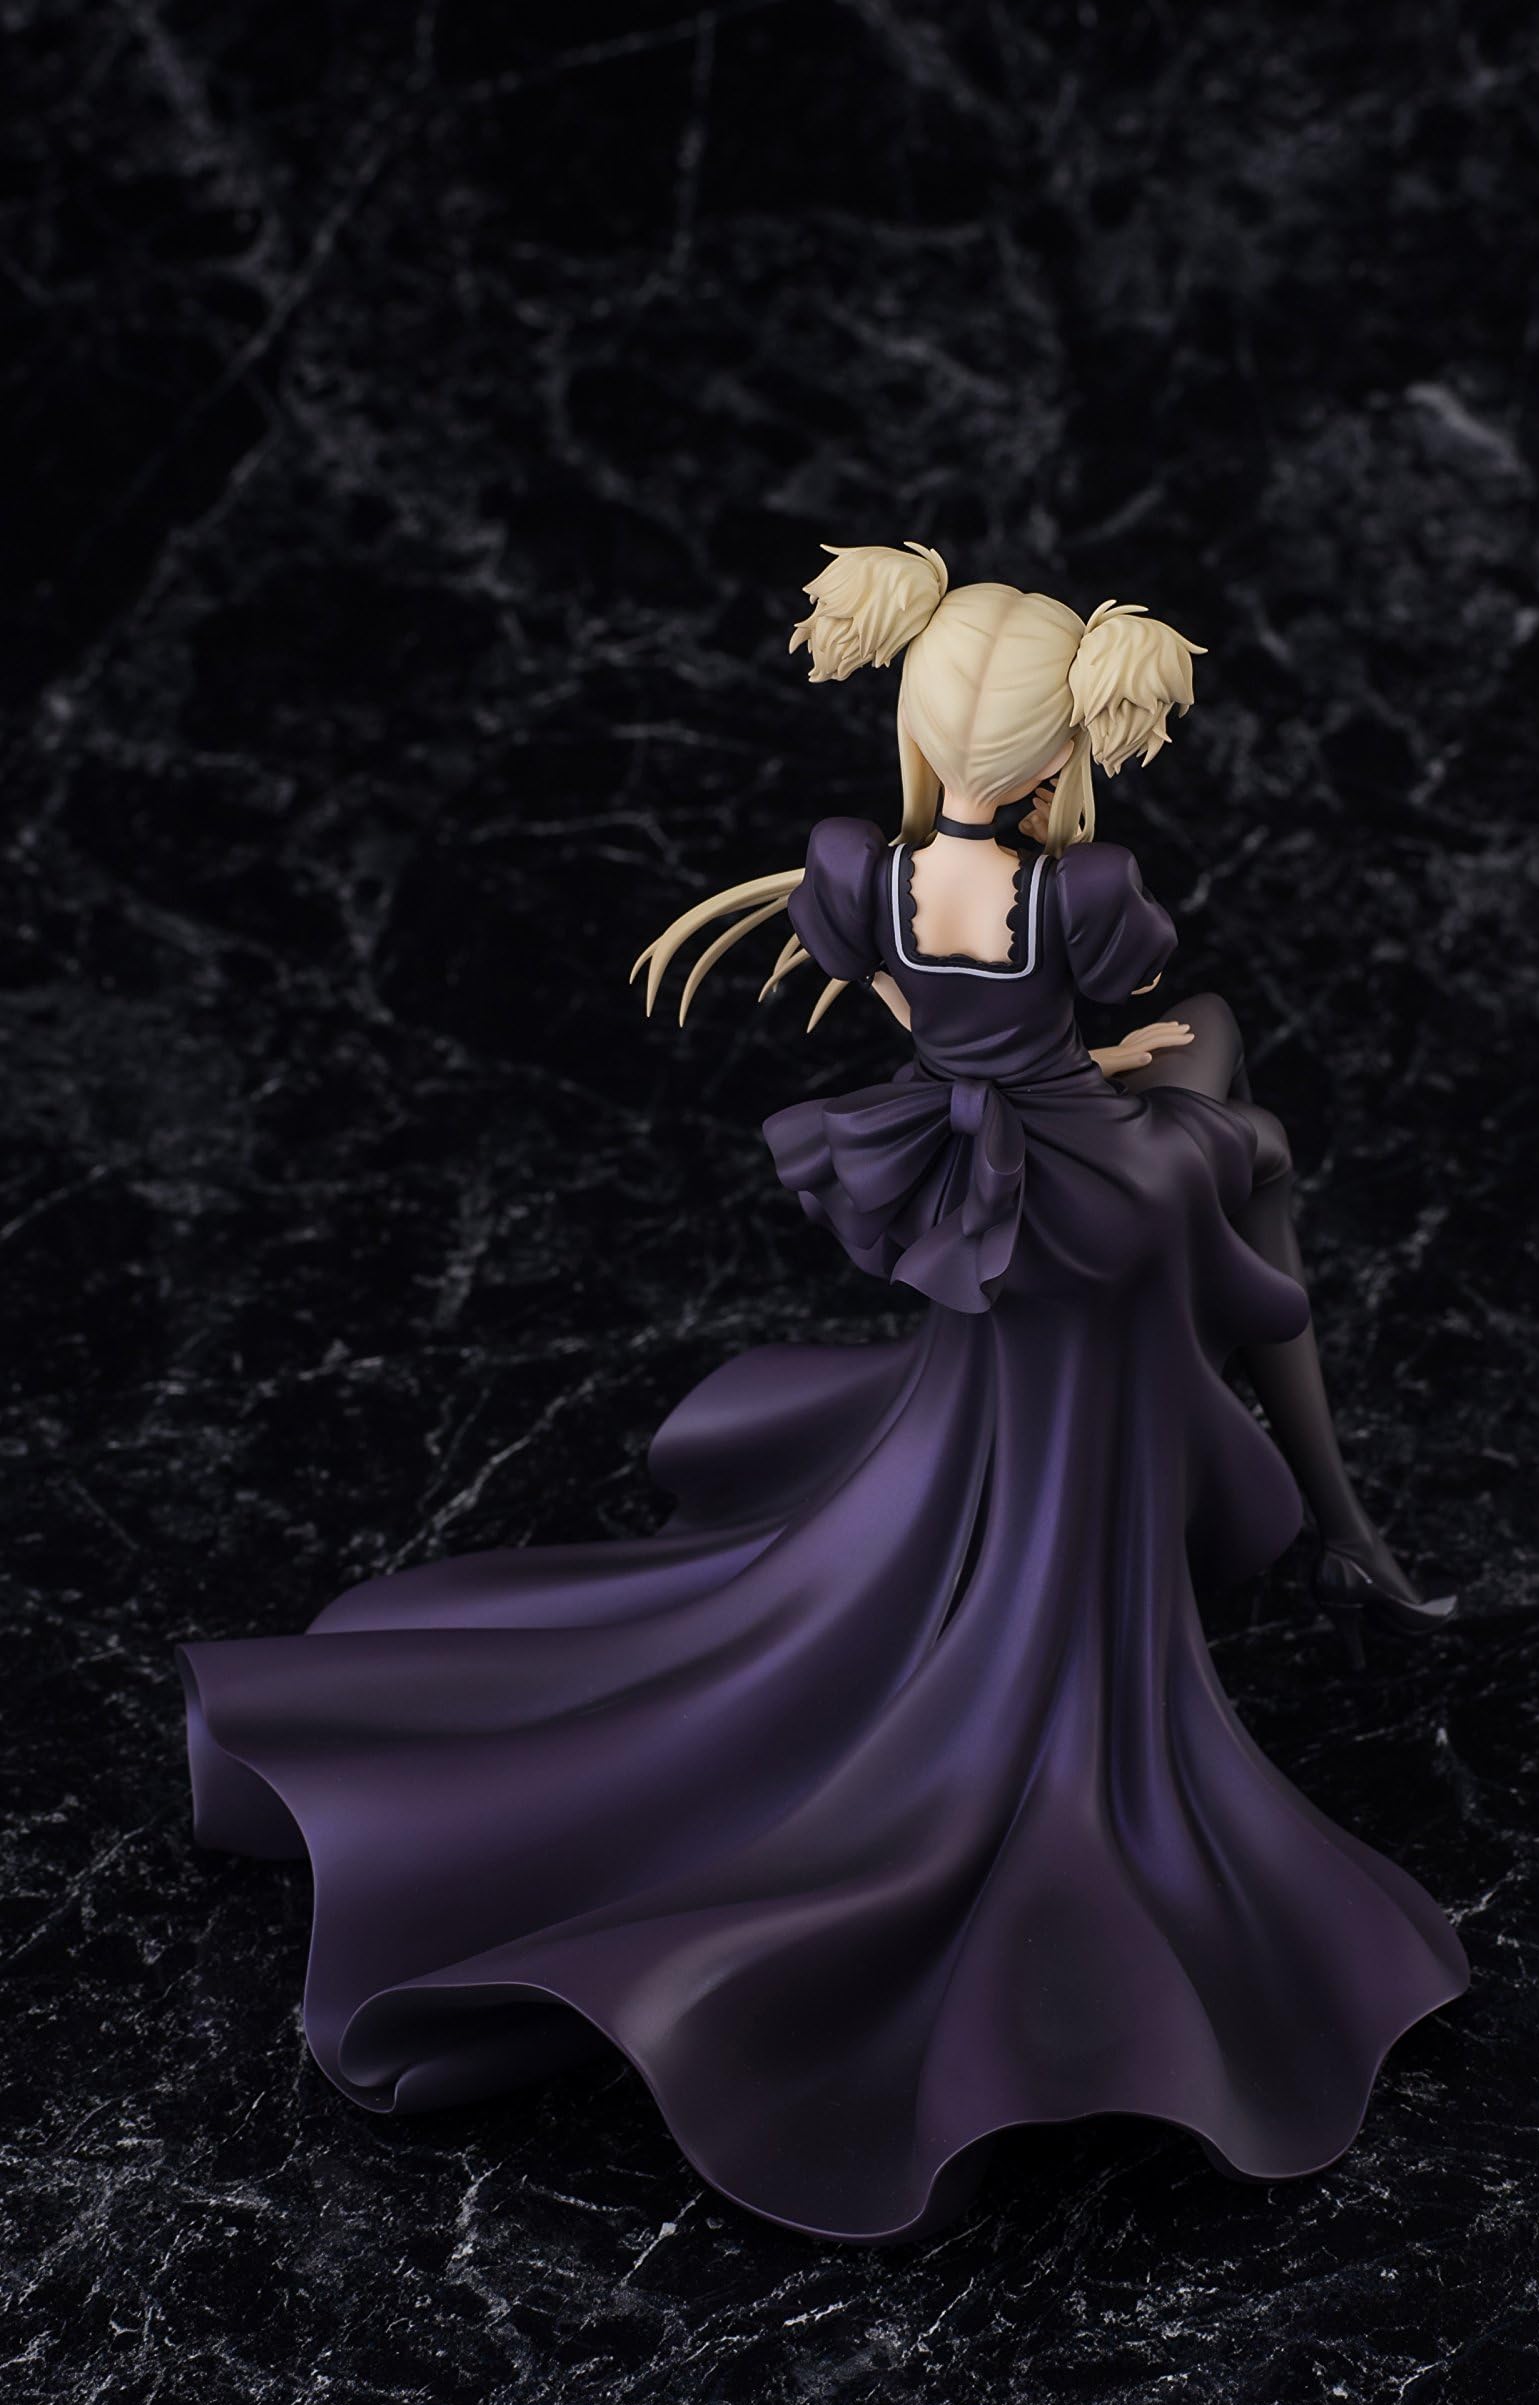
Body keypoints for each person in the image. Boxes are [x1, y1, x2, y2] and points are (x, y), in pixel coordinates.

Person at [176, 541, 1469, 2246]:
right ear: (1058, 751)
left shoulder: (868, 868)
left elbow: (933, 1018)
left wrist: (1033, 1063)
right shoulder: (1079, 891)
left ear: (923, 727)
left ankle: (1232, 1532)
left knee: (1103, 1271)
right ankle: (1312, 1526)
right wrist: (1083, 1068)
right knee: (1235, 1147)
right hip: (1088, 1197)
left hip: (974, 1177)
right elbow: (1074, 1014)